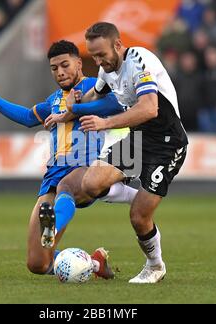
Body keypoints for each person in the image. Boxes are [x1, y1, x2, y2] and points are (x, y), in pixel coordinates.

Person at [0, 40, 138, 279]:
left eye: (65, 65)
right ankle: (94, 264)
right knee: (37, 263)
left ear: (79, 63)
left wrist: (77, 108)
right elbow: (26, 117)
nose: (60, 72)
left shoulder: (92, 87)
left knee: (67, 187)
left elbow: (116, 104)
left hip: (84, 167)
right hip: (53, 175)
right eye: (54, 68)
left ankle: (52, 227)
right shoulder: (55, 98)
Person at [75, 22, 188, 283]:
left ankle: (155, 265)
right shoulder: (107, 69)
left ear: (117, 44)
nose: (98, 61)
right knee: (91, 184)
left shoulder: (139, 60)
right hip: (139, 139)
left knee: (138, 218)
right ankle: (143, 195)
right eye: (93, 56)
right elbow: (95, 93)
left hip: (167, 144)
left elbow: (150, 109)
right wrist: (73, 107)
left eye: (102, 54)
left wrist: (104, 123)